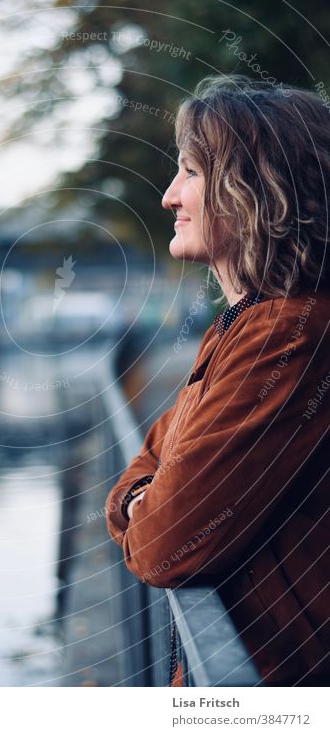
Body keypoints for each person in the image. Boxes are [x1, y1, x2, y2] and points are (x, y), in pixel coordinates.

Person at [105, 74, 330, 687]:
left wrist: (146, 503)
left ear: (254, 191)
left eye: (190, 173)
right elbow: (151, 462)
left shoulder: (287, 339)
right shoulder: (245, 327)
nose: (169, 197)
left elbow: (166, 542)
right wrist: (140, 497)